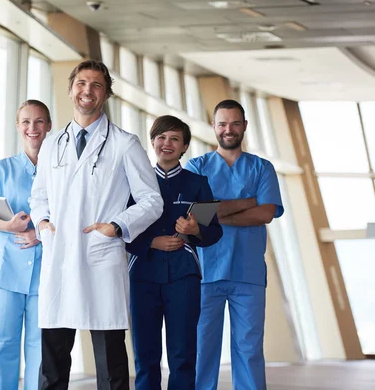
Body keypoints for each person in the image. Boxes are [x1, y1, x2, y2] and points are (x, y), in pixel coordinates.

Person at [29, 60, 163, 390]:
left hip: (100, 256)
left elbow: (152, 200)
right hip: (59, 256)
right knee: (53, 362)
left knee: (110, 361)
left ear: (106, 94)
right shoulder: (52, 143)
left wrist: (117, 225)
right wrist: (42, 222)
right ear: (71, 88)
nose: (87, 90)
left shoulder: (123, 143)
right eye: (82, 83)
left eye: (97, 85)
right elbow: (38, 196)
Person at [184, 99, 284, 390]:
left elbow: (266, 213)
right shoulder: (196, 166)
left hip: (248, 273)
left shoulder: (262, 168)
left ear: (245, 126)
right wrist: (249, 201)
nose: (229, 129)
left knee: (249, 350)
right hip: (205, 273)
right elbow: (196, 215)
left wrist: (215, 211)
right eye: (223, 124)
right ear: (214, 127)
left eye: (235, 123)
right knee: (202, 350)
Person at [127, 115, 222, 390]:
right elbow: (121, 229)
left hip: (184, 276)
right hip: (143, 275)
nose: (166, 143)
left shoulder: (197, 183)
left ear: (184, 147)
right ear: (153, 142)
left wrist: (194, 230)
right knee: (145, 355)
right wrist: (151, 243)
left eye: (174, 139)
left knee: (182, 354)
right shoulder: (134, 182)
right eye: (161, 137)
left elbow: (214, 233)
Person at [0, 100, 52, 390]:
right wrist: (7, 226)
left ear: (49, 126)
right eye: (26, 122)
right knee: (2, 345)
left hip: (46, 274)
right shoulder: (0, 170)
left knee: (40, 349)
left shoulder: (60, 171)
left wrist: (38, 234)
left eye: (39, 121)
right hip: (5, 273)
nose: (33, 128)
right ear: (18, 126)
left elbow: (73, 216)